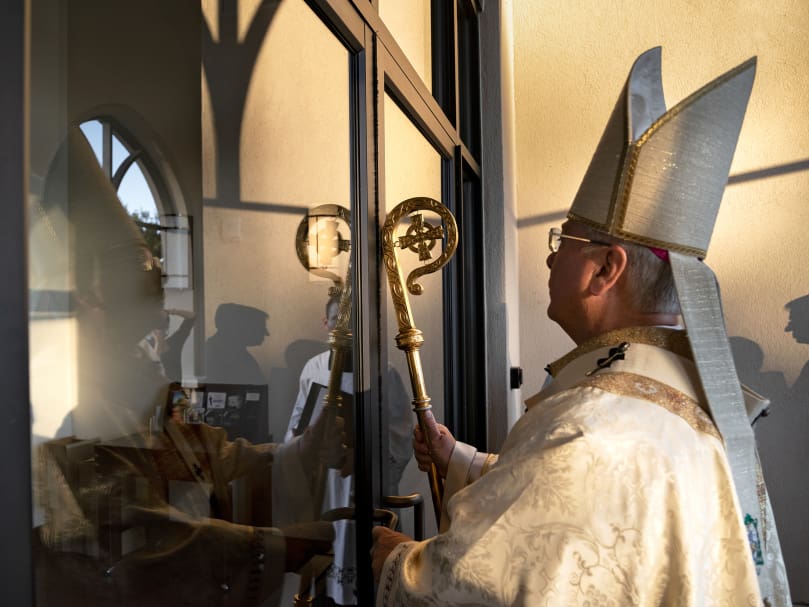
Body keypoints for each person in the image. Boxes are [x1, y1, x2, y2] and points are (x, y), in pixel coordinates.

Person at [372, 47, 791, 606]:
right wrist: (462, 460)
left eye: (561, 242)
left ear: (604, 268)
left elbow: (479, 587)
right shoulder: (668, 399)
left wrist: (396, 560)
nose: (550, 260)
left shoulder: (593, 424)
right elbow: (579, 508)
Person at [34, 126, 347, 606]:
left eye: (154, 293)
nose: (158, 313)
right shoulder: (57, 401)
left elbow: (207, 454)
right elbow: (132, 544)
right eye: (139, 295)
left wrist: (301, 448)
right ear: (86, 298)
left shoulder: (139, 373)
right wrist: (283, 546)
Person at [279, 293, 411, 605]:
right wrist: (303, 449)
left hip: (362, 479)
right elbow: (298, 421)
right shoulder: (314, 368)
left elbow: (399, 432)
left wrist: (368, 458)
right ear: (327, 324)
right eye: (337, 319)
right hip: (326, 482)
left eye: (349, 321)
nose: (343, 327)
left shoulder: (382, 370)